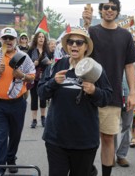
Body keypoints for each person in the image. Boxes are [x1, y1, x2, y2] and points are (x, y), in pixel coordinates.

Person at [38, 28, 112, 176]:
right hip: (56, 138)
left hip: (84, 141)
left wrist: (94, 91)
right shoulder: (57, 65)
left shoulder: (95, 68)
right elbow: (41, 92)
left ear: (86, 47)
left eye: (79, 42)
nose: (74, 46)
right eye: (71, 42)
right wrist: (53, 82)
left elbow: (107, 97)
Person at [82, 0, 135, 176]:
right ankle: (87, 171)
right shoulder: (92, 32)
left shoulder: (125, 36)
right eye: (106, 7)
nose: (109, 10)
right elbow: (78, 51)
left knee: (107, 139)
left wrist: (132, 93)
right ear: (100, 10)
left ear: (118, 12)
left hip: (112, 95)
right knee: (87, 140)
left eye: (113, 8)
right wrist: (86, 24)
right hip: (87, 93)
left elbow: (129, 66)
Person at [0, 27, 35, 176]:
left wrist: (22, 75)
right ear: (0, 40)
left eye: (11, 38)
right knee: (0, 137)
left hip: (18, 103)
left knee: (15, 135)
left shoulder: (23, 56)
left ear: (16, 40)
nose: (8, 41)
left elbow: (32, 76)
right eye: (5, 38)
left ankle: (11, 158)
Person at [114, 48, 135, 167]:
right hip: (113, 95)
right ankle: (110, 155)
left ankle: (121, 155)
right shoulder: (111, 51)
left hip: (130, 95)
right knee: (111, 127)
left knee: (127, 126)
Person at [27, 32, 51, 128]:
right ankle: (34, 120)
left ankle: (43, 117)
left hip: (44, 77)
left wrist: (50, 63)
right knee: (34, 98)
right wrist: (34, 64)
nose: (41, 39)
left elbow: (52, 63)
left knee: (43, 98)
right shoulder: (31, 50)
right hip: (34, 77)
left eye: (43, 37)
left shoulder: (47, 50)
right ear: (36, 39)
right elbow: (27, 64)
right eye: (39, 37)